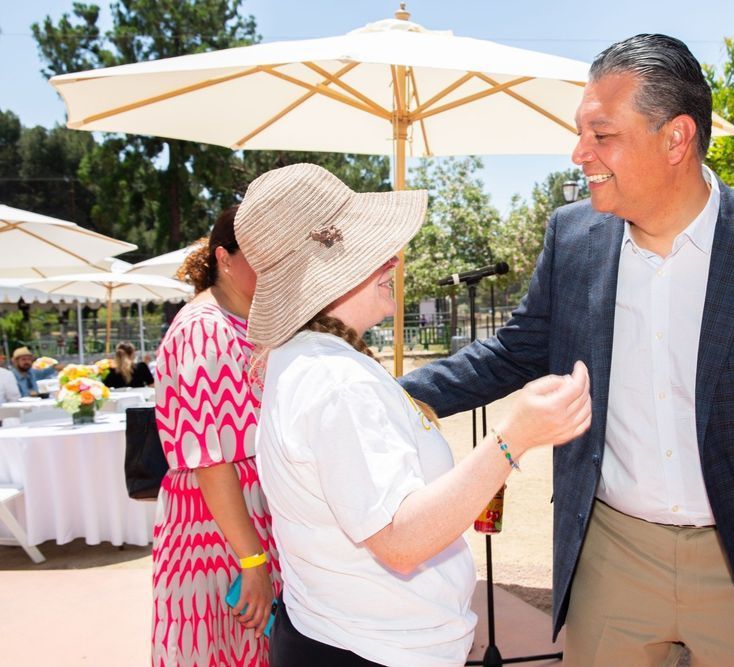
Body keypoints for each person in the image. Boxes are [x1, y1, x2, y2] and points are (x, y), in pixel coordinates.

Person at [401, 33, 734, 667]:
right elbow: (512, 352)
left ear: (676, 138)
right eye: (581, 133)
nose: (580, 154)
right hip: (611, 554)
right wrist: (380, 389)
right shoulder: (572, 238)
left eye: (602, 135)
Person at [233, 163, 591, 666]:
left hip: (342, 637)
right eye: (376, 251)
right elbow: (401, 540)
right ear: (332, 271)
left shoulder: (312, 362)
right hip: (372, 650)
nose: (395, 260)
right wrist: (513, 438)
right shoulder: (338, 382)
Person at [153, 205, 280, 666]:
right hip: (218, 532)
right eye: (262, 256)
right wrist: (252, 561)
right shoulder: (204, 331)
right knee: (221, 651)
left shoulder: (244, 320)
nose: (275, 266)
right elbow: (210, 460)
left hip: (244, 524)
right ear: (224, 258)